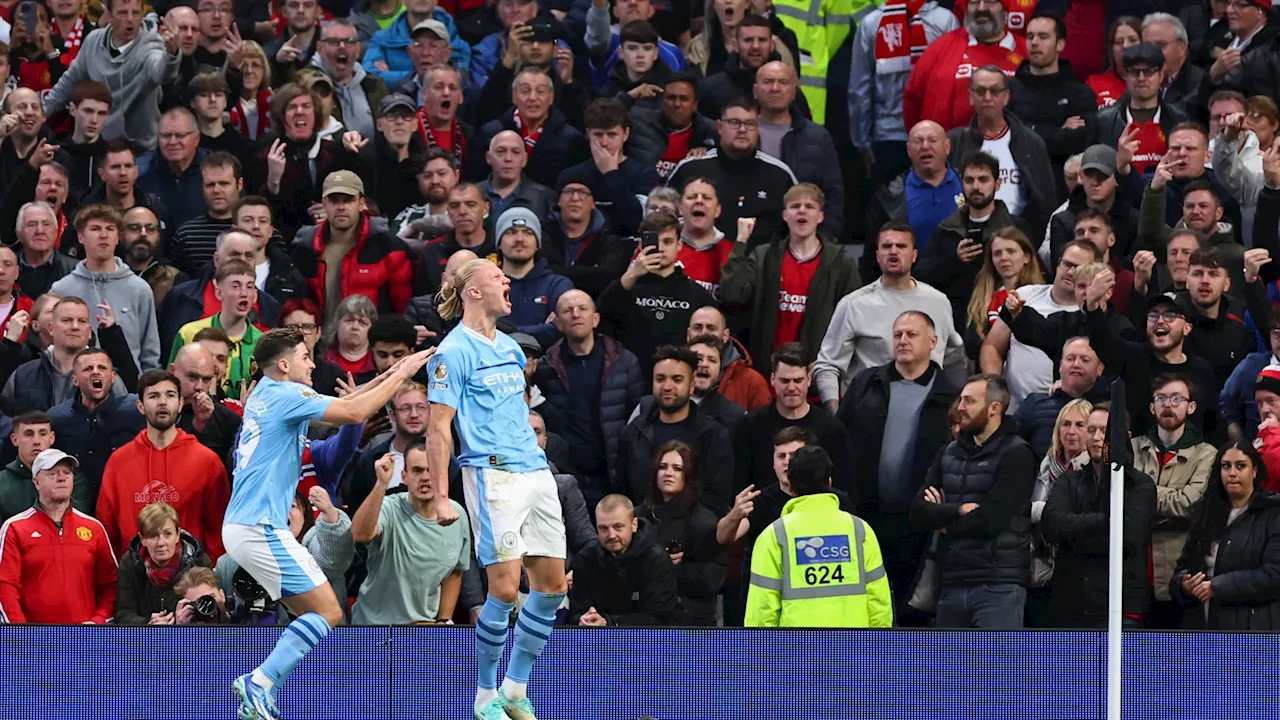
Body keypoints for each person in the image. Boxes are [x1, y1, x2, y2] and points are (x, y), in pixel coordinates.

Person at [223, 327, 432, 720]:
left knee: (313, 614)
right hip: (260, 526)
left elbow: (353, 403)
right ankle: (260, 682)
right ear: (283, 365)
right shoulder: (285, 394)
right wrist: (402, 375)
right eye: (304, 356)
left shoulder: (266, 395)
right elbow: (354, 412)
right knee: (329, 612)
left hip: (243, 527)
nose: (312, 362)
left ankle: (262, 687)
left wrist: (391, 375)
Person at [424, 258, 567, 720]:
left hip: (535, 471)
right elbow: (438, 429)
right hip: (493, 475)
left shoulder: (508, 347)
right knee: (504, 591)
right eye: (496, 277)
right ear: (472, 292)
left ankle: (515, 687)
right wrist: (443, 495)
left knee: (551, 587)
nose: (507, 281)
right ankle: (484, 696)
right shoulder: (453, 352)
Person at [839, 311, 960, 617]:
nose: (903, 340)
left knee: (911, 608)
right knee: (864, 602)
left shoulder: (951, 395)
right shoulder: (867, 383)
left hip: (918, 520)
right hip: (865, 514)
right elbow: (840, 439)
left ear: (933, 342)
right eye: (898, 335)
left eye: (911, 334)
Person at [909, 374, 1037, 628]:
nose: (960, 408)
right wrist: (956, 509)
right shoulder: (948, 452)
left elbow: (991, 519)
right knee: (952, 668)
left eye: (969, 401)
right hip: (951, 582)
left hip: (998, 584)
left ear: (994, 409)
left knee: (996, 667)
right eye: (961, 400)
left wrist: (945, 525)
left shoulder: (1018, 454)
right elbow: (917, 511)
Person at [815, 221, 966, 412]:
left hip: (930, 410)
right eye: (887, 246)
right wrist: (837, 414)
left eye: (901, 246)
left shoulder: (938, 301)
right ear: (877, 256)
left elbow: (954, 359)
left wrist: (955, 408)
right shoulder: (854, 304)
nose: (893, 251)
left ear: (914, 255)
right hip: (869, 412)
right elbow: (827, 366)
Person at [744, 445, 891, 628]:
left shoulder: (774, 536)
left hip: (796, 652)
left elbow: (762, 610)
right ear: (829, 482)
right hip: (852, 649)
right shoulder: (860, 531)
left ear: (791, 485)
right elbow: (879, 601)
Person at [719, 184, 861, 370]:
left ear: (820, 216)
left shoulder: (840, 263)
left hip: (816, 377)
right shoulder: (764, 256)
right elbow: (732, 295)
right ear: (785, 215)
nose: (802, 210)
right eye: (795, 206)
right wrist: (740, 242)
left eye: (809, 207)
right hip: (767, 374)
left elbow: (853, 322)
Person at [1041, 402, 1157, 627]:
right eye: (1091, 429)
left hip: (1122, 604)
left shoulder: (1140, 484)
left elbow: (1129, 537)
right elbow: (1052, 525)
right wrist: (1106, 520)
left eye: (1104, 431)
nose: (1096, 437)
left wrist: (1074, 534)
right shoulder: (1069, 479)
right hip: (1071, 603)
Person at [97, 369, 229, 559]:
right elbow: (107, 530)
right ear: (140, 406)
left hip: (191, 579)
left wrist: (210, 578)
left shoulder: (207, 461)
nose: (162, 402)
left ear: (181, 403)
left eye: (170, 395)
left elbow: (217, 529)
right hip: (135, 577)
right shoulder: (119, 462)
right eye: (153, 396)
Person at [535, 289, 645, 507]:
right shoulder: (546, 367)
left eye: (582, 309)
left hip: (614, 473)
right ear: (557, 322)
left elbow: (637, 418)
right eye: (568, 310)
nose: (576, 314)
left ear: (595, 319)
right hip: (568, 474)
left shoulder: (624, 362)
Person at [351, 438, 471, 625]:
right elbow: (360, 534)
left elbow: (455, 572)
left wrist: (443, 620)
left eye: (432, 469)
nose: (425, 477)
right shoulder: (389, 507)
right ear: (404, 476)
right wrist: (381, 484)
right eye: (417, 470)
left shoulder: (457, 515)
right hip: (374, 628)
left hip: (424, 627)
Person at [1131, 373, 1217, 629]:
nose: (1168, 404)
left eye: (1176, 398)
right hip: (1133, 570)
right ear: (1151, 407)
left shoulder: (1206, 454)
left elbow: (1190, 504)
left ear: (1190, 407)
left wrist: (1141, 497)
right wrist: (1167, 499)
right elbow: (1119, 499)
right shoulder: (1133, 448)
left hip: (1176, 570)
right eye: (1161, 398)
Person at [41, 0, 183, 151]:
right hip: (99, 145)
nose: (130, 19)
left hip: (140, 149)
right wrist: (43, 111)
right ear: (109, 15)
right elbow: (70, 81)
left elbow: (161, 74)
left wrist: (171, 54)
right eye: (122, 13)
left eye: (135, 13)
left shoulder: (151, 45)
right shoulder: (93, 41)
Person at [916, 151, 1035, 329]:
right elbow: (922, 277)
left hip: (1006, 319)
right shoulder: (946, 229)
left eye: (983, 179)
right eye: (969, 180)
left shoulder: (1017, 228)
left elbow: (1033, 275)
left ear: (998, 183)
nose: (976, 186)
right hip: (956, 321)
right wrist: (954, 260)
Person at [1171, 441, 1280, 630]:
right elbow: (1184, 566)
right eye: (1225, 466)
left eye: (1240, 466)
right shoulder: (1206, 513)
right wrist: (1184, 583)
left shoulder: (1273, 513)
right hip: (1203, 623)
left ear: (1254, 471)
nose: (1232, 473)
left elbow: (1273, 575)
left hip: (1253, 628)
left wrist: (1217, 586)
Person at [848, 0, 958, 187]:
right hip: (931, 136)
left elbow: (860, 89)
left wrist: (862, 141)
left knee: (890, 209)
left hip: (888, 136)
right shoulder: (945, 21)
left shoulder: (872, 23)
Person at [0, 448, 117, 624]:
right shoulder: (15, 528)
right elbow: (5, 587)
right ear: (36, 482)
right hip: (33, 641)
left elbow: (112, 585)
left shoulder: (94, 528)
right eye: (53, 473)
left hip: (85, 640)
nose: (62, 477)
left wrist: (97, 621)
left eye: (67, 473)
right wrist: (21, 635)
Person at [598, 211, 715, 377]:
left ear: (679, 245)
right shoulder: (626, 287)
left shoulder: (697, 295)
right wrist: (631, 275)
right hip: (629, 378)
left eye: (667, 241)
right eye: (655, 242)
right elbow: (598, 316)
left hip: (678, 379)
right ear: (641, 246)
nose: (660, 248)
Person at [668, 98, 797, 247]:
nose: (742, 130)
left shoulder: (779, 174)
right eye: (734, 123)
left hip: (761, 266)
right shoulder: (690, 168)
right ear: (720, 127)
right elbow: (664, 218)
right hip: (699, 263)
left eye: (750, 124)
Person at [50, 204, 161, 372]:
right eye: (95, 229)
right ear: (81, 237)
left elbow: (150, 354)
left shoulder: (140, 290)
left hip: (128, 388)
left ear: (118, 238)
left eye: (110, 229)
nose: (103, 235)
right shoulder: (62, 289)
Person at [736, 342, 855, 493]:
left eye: (798, 380)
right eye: (785, 381)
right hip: (763, 513)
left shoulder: (833, 430)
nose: (791, 388)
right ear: (772, 379)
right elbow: (740, 486)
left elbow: (845, 488)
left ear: (809, 379)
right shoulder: (751, 426)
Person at [1008, 11, 1097, 198]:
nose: (1034, 42)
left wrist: (1030, 130)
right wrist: (1058, 131)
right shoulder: (1008, 91)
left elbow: (1078, 141)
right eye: (1030, 36)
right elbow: (1010, 139)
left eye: (1043, 37)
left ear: (1060, 44)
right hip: (1015, 186)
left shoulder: (1079, 93)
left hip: (1063, 190)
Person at [635, 441, 725, 626]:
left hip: (689, 622)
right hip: (643, 617)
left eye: (677, 468)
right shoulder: (638, 516)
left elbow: (711, 578)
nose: (668, 473)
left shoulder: (703, 521)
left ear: (688, 476)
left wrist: (668, 569)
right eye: (662, 467)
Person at [751, 60, 844, 238]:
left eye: (783, 82)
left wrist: (824, 238)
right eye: (768, 82)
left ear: (794, 91)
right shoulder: (742, 132)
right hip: (751, 237)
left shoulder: (818, 137)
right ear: (755, 91)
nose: (775, 88)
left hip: (803, 239)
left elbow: (833, 195)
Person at [903, 0, 1027, 132]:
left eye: (990, 2)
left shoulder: (1025, 51)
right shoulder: (939, 49)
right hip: (950, 149)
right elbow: (912, 101)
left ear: (1004, 8)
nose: (981, 8)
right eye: (973, 2)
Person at [863, 120, 964, 281]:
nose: (925, 146)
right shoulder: (889, 195)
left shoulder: (969, 185)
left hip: (963, 286)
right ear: (909, 150)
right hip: (910, 286)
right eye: (918, 141)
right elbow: (872, 254)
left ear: (947, 147)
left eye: (932, 140)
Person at [48, 347, 145, 507]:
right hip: (77, 507)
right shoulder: (57, 419)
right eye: (87, 369)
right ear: (75, 380)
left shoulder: (137, 410)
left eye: (102, 368)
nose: (95, 372)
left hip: (126, 503)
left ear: (113, 377)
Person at [569, 493, 680, 626]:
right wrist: (584, 620)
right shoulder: (585, 559)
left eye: (618, 527)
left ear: (634, 525)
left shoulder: (656, 559)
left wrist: (609, 623)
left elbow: (659, 618)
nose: (611, 535)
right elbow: (576, 611)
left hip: (649, 642)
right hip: (596, 640)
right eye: (603, 528)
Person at [1026, 397, 1091, 626]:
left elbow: (1070, 516)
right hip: (1039, 570)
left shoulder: (1093, 470)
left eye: (1080, 425)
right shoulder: (1044, 465)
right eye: (1066, 424)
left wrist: (1036, 511)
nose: (1071, 431)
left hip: (1076, 573)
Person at [2, 296, 129, 412]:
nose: (75, 326)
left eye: (82, 321)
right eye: (66, 320)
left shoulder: (108, 378)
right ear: (51, 328)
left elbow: (123, 421)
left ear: (89, 332)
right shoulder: (23, 374)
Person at [554, 97, 660, 237]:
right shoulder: (570, 176)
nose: (604, 142)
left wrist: (611, 173)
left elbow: (638, 223)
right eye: (598, 134)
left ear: (625, 134)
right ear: (588, 134)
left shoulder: (645, 174)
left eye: (612, 135)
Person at [1094, 43, 1188, 177]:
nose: (1141, 78)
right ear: (1125, 76)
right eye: (1134, 72)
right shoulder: (1103, 121)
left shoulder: (1179, 120)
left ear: (1161, 76)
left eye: (1149, 72)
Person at [113, 502, 213, 625]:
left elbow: (210, 614)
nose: (161, 543)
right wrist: (148, 624)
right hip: (145, 639)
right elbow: (123, 613)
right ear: (142, 538)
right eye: (153, 536)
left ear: (177, 535)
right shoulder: (130, 563)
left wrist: (183, 625)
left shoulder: (200, 562)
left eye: (167, 534)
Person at [540, 180, 633, 299]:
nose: (575, 198)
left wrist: (557, 272)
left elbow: (607, 278)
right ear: (559, 201)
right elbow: (539, 271)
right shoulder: (543, 235)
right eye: (569, 192)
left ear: (593, 203)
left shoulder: (609, 242)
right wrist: (591, 273)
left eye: (582, 192)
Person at [494, 207, 572, 346]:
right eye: (511, 232)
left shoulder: (558, 285)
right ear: (499, 243)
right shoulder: (487, 286)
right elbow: (481, 333)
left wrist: (503, 332)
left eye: (528, 233)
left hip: (548, 365)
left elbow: (562, 329)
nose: (519, 239)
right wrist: (543, 330)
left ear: (537, 244)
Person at [964, 225, 1043, 355]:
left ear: (1026, 257)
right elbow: (971, 345)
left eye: (1011, 251)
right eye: (997, 253)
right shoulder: (982, 296)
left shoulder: (1041, 295)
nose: (1004, 258)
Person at [0, 410, 91, 520]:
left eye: (43, 434)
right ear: (15, 439)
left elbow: (79, 523)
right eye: (29, 434)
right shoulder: (2, 482)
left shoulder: (72, 478)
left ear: (51, 438)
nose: (36, 441)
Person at [1142, 13, 1209, 123]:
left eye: (1160, 45)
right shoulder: (1139, 79)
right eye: (1147, 46)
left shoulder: (1201, 83)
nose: (1153, 52)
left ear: (1181, 48)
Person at [1086, 16, 1141, 108]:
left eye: (1133, 40)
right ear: (1111, 49)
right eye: (1119, 42)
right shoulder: (1094, 83)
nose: (1125, 46)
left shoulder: (1153, 84)